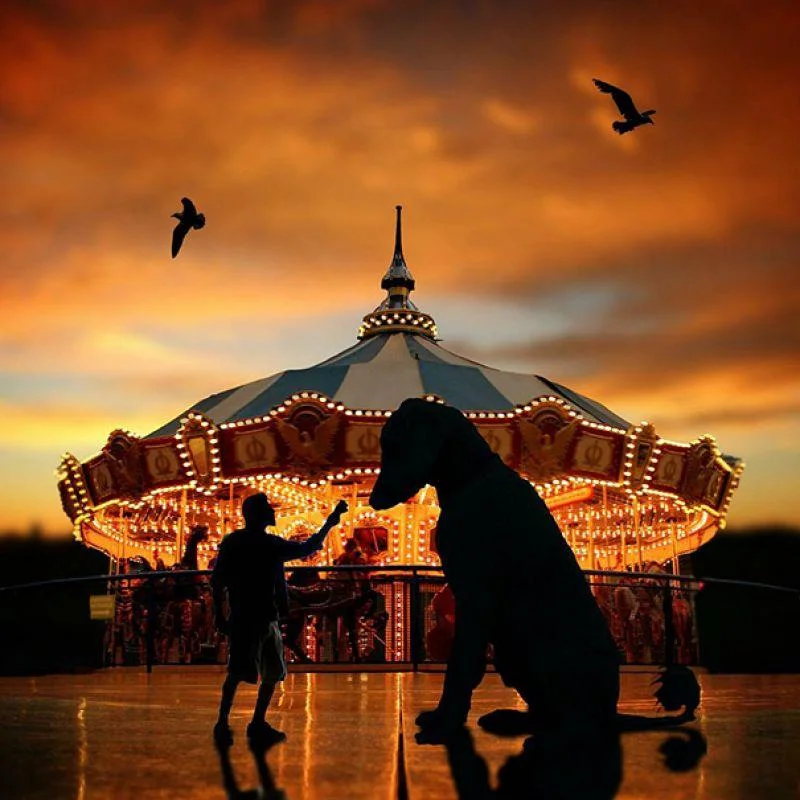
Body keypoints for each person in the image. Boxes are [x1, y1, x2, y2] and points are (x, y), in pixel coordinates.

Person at [211, 493, 348, 746]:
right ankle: (223, 720)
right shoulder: (262, 544)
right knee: (240, 670)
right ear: (258, 514)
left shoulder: (241, 542)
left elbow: (217, 580)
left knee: (268, 671)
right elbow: (308, 547)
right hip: (252, 615)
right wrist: (330, 522)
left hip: (262, 616)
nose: (273, 512)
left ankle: (253, 721)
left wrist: (220, 613)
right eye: (268, 509)